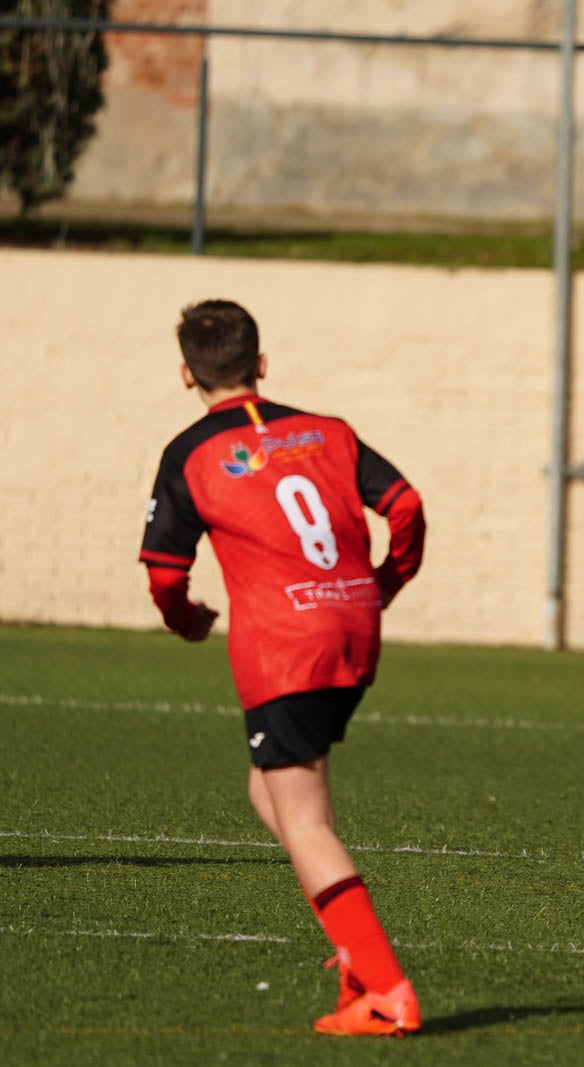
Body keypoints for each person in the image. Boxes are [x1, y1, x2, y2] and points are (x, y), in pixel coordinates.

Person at [139, 300, 426, 1036]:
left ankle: (386, 989)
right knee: (270, 796)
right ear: (260, 363)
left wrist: (187, 619)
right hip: (353, 624)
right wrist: (384, 583)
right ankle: (357, 971)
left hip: (284, 644)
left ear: (185, 375)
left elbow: (166, 572)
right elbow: (405, 504)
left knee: (302, 817)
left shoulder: (190, 452)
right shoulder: (327, 431)